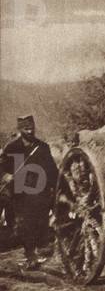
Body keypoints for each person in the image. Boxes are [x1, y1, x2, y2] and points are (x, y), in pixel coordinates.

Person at [0, 115, 58, 270]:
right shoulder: (12, 147)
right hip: (19, 192)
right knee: (24, 222)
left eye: (32, 128)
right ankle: (30, 255)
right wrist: (6, 175)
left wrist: (57, 188)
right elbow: (2, 167)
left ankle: (38, 251)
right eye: (26, 128)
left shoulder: (43, 147)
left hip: (40, 191)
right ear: (20, 129)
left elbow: (52, 171)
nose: (30, 131)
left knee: (39, 221)